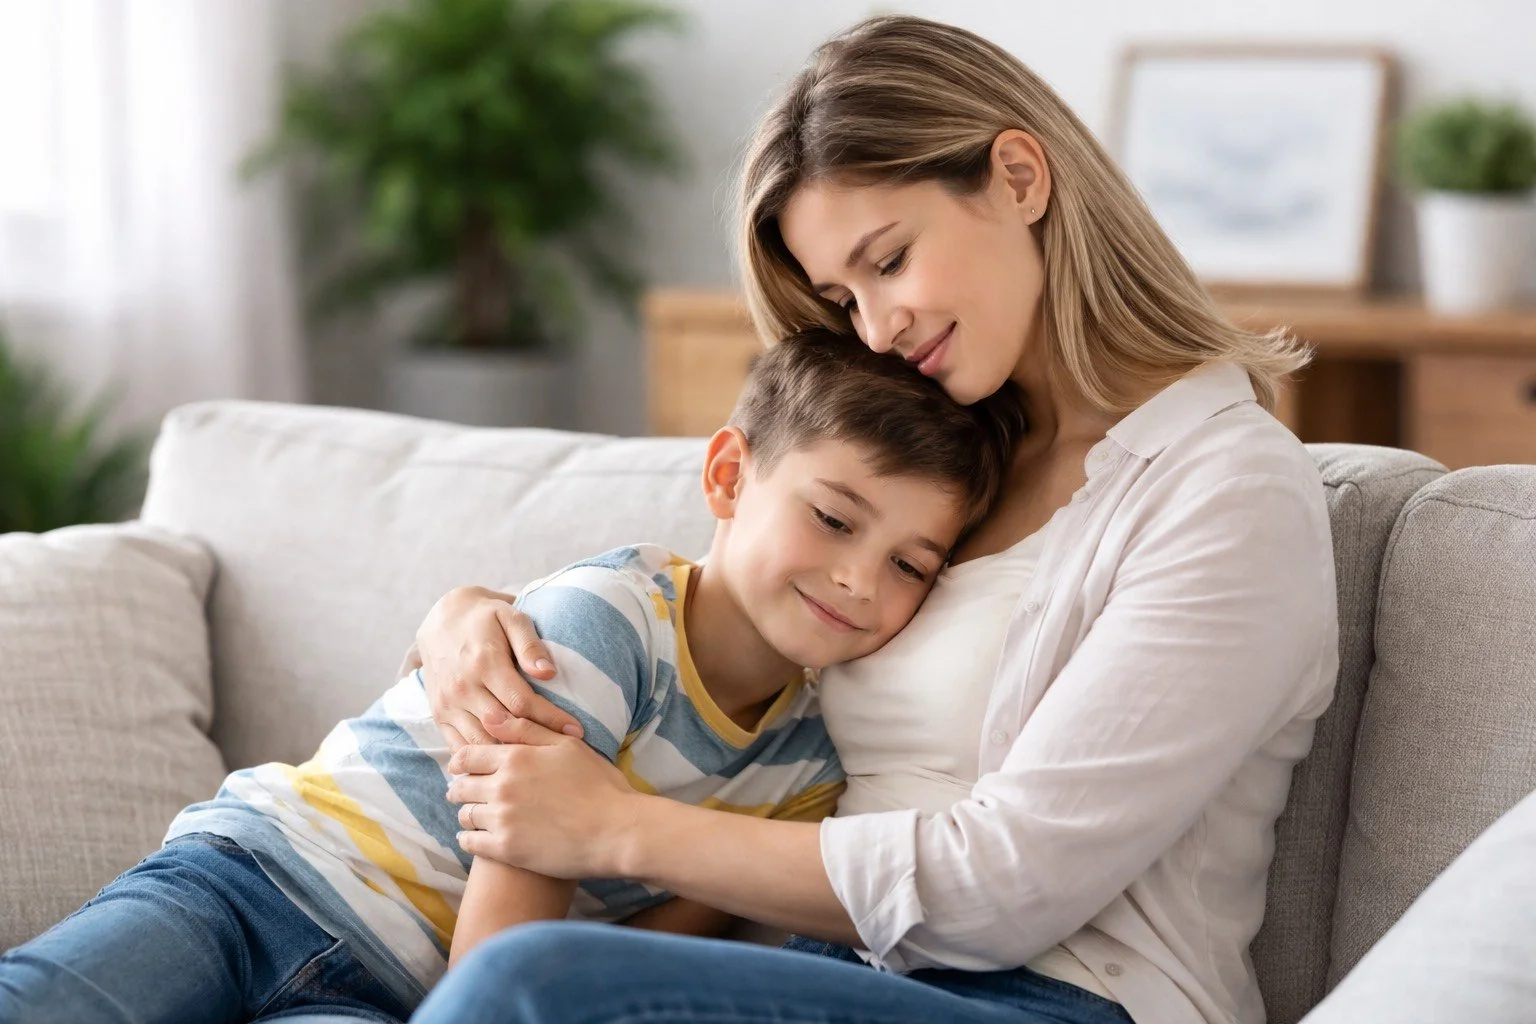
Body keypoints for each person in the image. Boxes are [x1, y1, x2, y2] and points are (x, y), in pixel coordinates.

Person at [406, 14, 1339, 1024]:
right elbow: (722, 615)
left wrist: (613, 830)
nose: (878, 329)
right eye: (843, 299)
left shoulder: (1227, 489)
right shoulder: (938, 470)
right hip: (835, 970)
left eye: (889, 261)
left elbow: (1008, 884)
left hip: (1062, 998)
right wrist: (466, 621)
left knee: (530, 983)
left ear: (1020, 178)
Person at [0, 328, 1023, 1024]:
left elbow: (643, 957)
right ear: (727, 476)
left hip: (382, 992)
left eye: (909, 564)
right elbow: (504, 949)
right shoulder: (605, 624)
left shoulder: (806, 769)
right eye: (834, 518)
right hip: (258, 881)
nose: (856, 578)